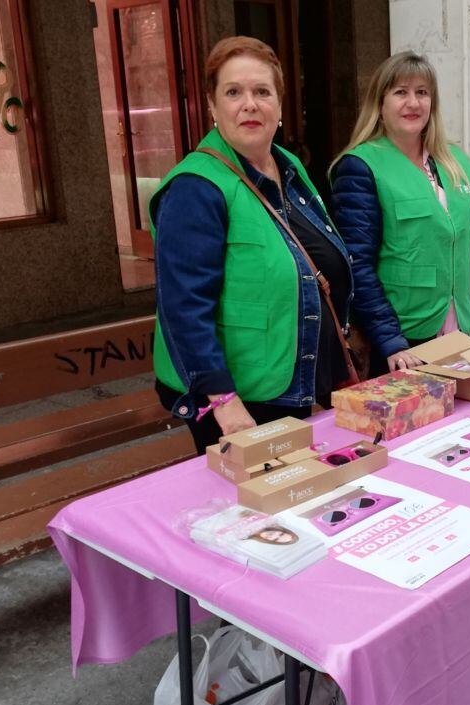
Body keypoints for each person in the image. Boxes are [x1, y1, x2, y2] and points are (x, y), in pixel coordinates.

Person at [151, 36, 352, 454]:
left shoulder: (287, 164)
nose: (250, 104)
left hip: (294, 381)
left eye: (263, 91)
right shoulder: (196, 188)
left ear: (280, 104)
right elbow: (183, 308)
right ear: (212, 106)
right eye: (233, 92)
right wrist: (223, 402)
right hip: (239, 404)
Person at [330, 51, 470, 376]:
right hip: (402, 341)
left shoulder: (453, 162)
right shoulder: (361, 167)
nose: (412, 103)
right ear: (381, 103)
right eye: (400, 92)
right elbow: (357, 265)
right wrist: (391, 340)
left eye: (422, 92)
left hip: (457, 331)